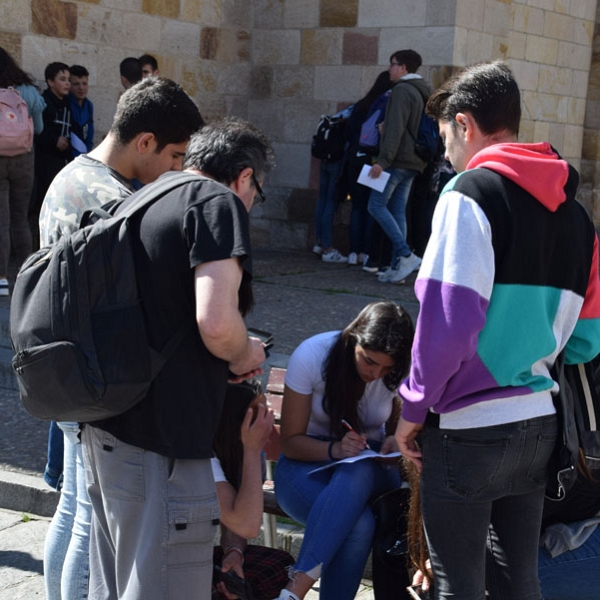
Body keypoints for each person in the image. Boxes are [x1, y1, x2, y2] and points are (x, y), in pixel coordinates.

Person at [395, 61, 600, 600]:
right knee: (518, 583)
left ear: (465, 125)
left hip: (468, 424)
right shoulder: (577, 216)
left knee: (458, 586)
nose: (444, 154)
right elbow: (586, 340)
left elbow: (448, 322)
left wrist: (412, 409)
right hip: (541, 424)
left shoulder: (468, 193)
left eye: (444, 137)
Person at [81, 116, 275, 600]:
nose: (251, 203)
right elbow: (215, 323)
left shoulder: (142, 198)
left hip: (109, 432)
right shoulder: (217, 202)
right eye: (257, 193)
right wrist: (245, 351)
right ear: (245, 176)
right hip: (163, 446)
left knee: (118, 585)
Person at [40, 77, 204, 600]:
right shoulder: (118, 201)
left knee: (73, 506)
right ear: (146, 142)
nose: (178, 169)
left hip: (62, 368)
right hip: (97, 381)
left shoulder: (71, 175)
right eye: (176, 155)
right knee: (93, 519)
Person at [273, 300, 414, 600]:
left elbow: (397, 430)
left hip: (373, 469)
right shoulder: (313, 355)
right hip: (306, 464)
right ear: (354, 340)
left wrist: (393, 440)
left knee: (359, 466)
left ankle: (294, 590)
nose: (377, 374)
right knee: (359, 525)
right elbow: (290, 442)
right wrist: (336, 449)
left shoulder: (396, 371)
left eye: (387, 367)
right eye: (369, 361)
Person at [212, 380, 294, 600]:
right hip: (171, 561)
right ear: (234, 424)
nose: (268, 422)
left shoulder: (247, 453)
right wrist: (251, 449)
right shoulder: (202, 457)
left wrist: (234, 553)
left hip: (200, 555)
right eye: (259, 416)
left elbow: (236, 527)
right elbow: (247, 525)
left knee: (279, 566)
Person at [367, 49, 430, 285]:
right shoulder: (422, 90)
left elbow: (396, 128)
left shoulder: (402, 91)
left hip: (397, 160)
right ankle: (398, 268)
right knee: (396, 210)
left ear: (402, 67)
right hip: (414, 161)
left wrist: (383, 161)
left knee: (376, 205)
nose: (389, 69)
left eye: (392, 64)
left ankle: (405, 254)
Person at [0, 46, 45, 296]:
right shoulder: (26, 90)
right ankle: (27, 275)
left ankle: (2, 279)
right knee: (20, 218)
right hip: (24, 159)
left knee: (1, 219)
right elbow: (37, 129)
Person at [342, 70, 392, 267]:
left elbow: (348, 132)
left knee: (357, 207)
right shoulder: (386, 105)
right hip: (374, 162)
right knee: (373, 208)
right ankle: (367, 252)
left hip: (355, 160)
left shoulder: (363, 104)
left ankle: (353, 251)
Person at [31, 61, 77, 249]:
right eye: (62, 79)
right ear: (50, 82)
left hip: (62, 160)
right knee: (43, 203)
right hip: (46, 161)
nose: (67, 84)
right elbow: (38, 131)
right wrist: (54, 140)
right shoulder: (44, 103)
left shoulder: (68, 103)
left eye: (68, 80)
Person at [68, 64, 94, 156]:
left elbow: (90, 133)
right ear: (69, 85)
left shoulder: (89, 105)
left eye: (84, 83)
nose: (81, 88)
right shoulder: (65, 104)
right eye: (76, 84)